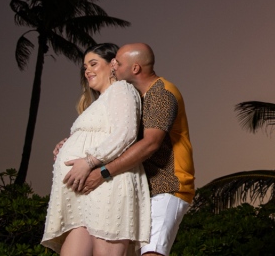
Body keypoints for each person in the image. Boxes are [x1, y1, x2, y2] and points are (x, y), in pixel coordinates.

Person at [63, 43, 195, 256]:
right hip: (145, 188)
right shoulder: (137, 97)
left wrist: (103, 173)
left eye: (118, 62)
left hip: (167, 187)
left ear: (135, 69)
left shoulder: (161, 93)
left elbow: (150, 144)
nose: (114, 65)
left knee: (152, 253)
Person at [42, 43, 150, 255]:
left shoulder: (122, 89)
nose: (87, 71)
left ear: (112, 65)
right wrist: (67, 143)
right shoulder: (99, 102)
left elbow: (125, 134)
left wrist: (89, 161)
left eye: (93, 64)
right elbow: (97, 134)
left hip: (107, 185)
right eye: (85, 67)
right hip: (84, 197)